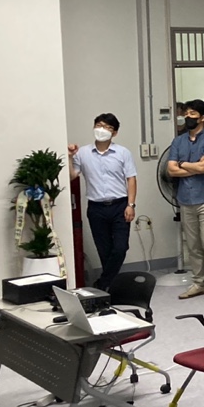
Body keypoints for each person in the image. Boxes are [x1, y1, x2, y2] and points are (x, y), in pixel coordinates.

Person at [67, 113, 138, 290]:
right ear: (93, 127)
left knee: (120, 248)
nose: (102, 130)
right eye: (99, 125)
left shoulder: (123, 153)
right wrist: (69, 157)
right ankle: (110, 290)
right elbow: (72, 176)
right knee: (104, 250)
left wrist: (131, 205)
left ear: (114, 133)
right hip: (96, 208)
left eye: (108, 127)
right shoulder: (82, 153)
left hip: (120, 205)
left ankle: (101, 285)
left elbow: (131, 178)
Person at [167, 100, 204, 301]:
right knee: (192, 244)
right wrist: (193, 166)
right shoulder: (178, 141)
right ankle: (199, 283)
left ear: (202, 117)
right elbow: (171, 170)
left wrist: (182, 164)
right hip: (186, 198)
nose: (188, 117)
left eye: (192, 113)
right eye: (186, 113)